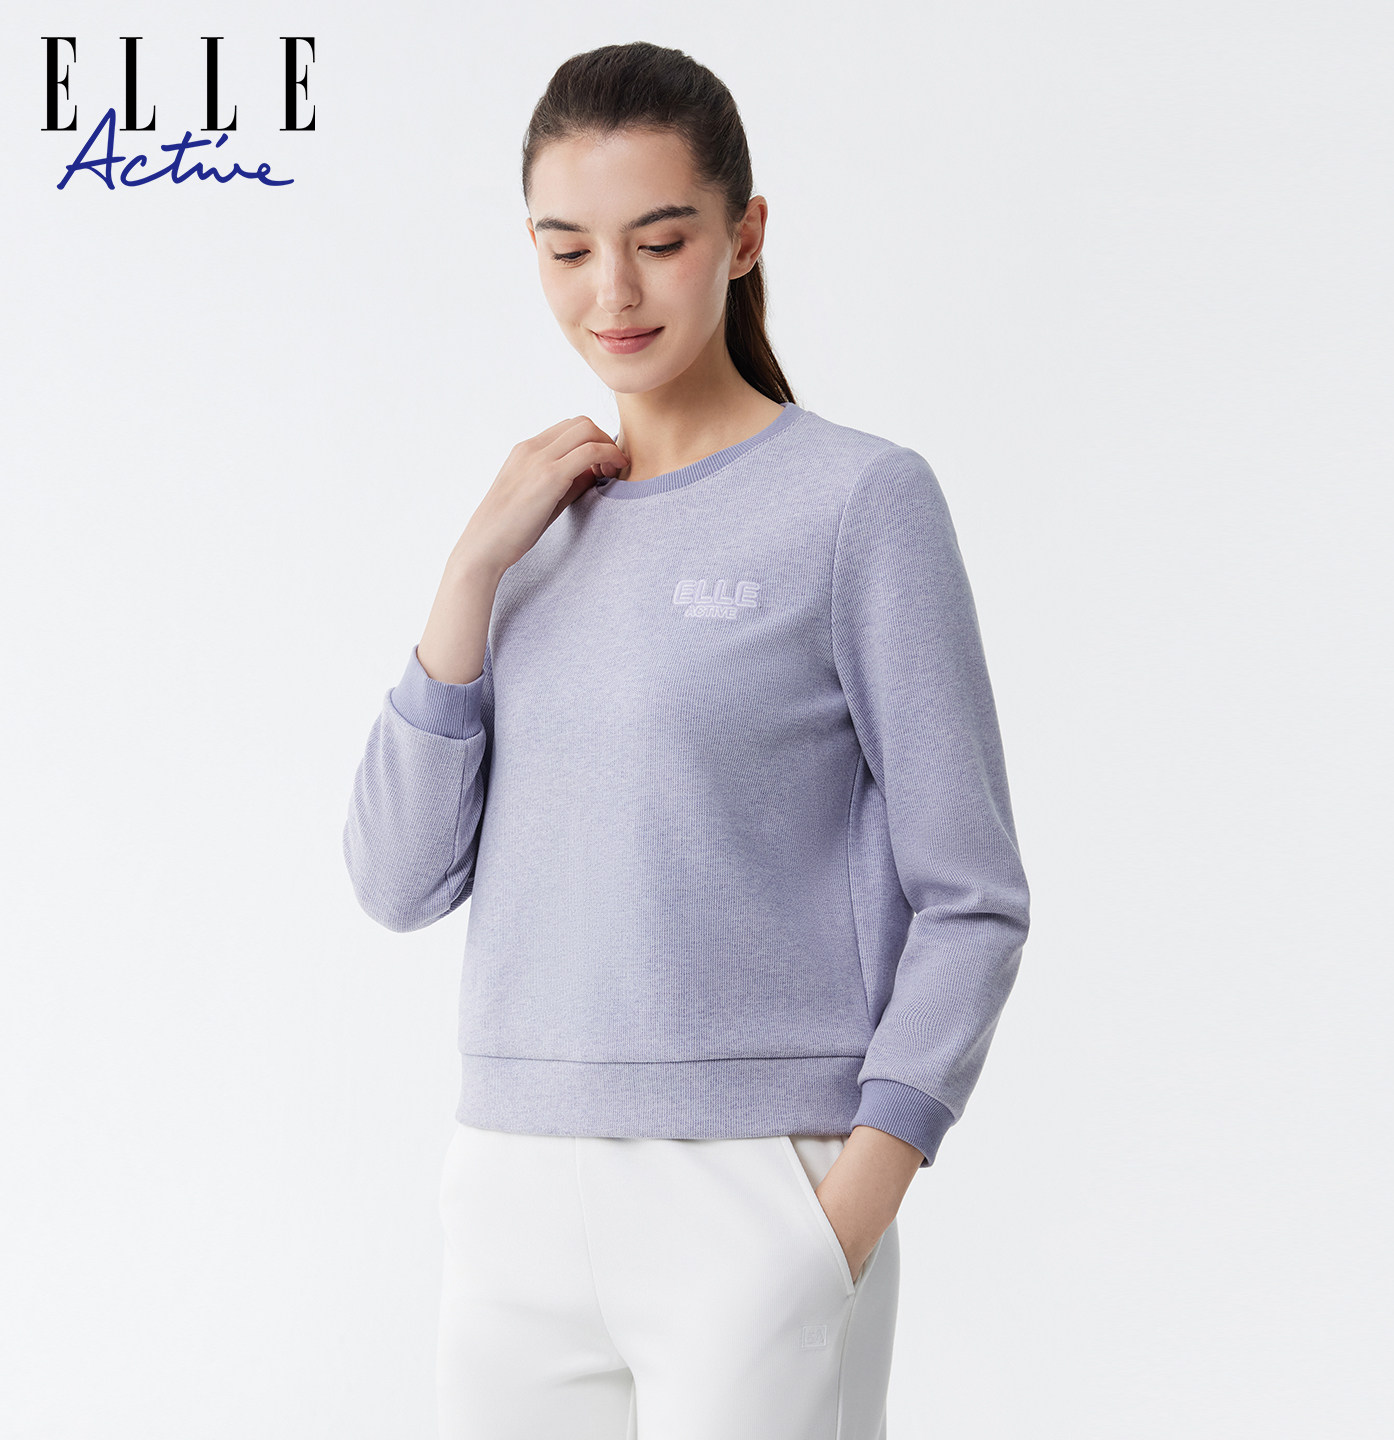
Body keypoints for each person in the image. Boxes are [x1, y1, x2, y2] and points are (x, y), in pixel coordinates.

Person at [342, 39, 1031, 1440]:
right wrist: (468, 573)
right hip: (511, 1186)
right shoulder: (531, 535)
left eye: (659, 242)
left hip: (755, 1185)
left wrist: (848, 1201)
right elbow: (398, 880)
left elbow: (973, 896)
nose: (613, 291)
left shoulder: (858, 503)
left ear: (743, 236)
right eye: (568, 249)